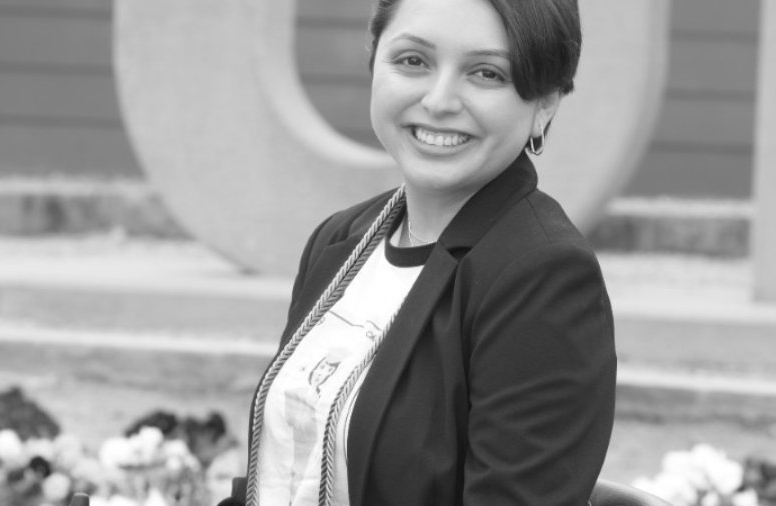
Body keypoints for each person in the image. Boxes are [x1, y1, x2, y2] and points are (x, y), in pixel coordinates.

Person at [221, 0, 616, 504]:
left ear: (545, 102)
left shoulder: (542, 277)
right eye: (413, 61)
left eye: (487, 73)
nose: (438, 100)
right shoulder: (340, 240)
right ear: (374, 63)